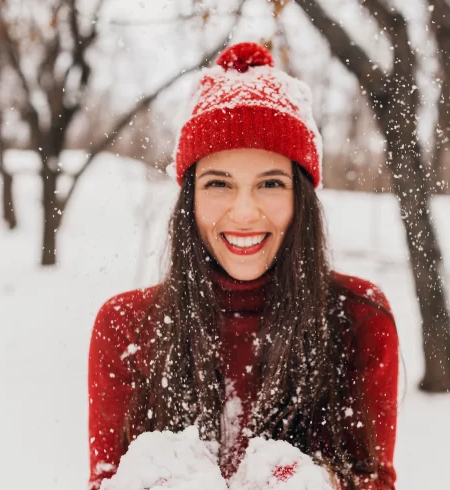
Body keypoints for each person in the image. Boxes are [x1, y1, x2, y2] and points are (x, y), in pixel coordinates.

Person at [88, 42, 399, 490]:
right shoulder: (126, 325)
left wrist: (322, 483)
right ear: (190, 200)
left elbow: (373, 480)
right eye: (219, 184)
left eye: (271, 183)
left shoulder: (357, 318)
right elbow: (105, 481)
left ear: (302, 199)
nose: (245, 212)